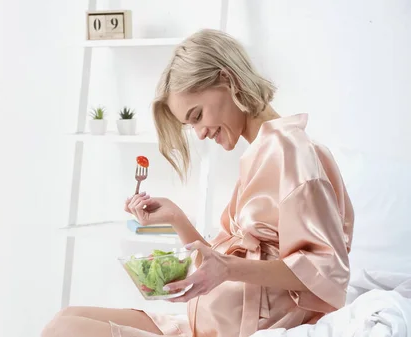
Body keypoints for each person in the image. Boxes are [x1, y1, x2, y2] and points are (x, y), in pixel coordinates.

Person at [42, 28, 354, 337]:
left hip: (231, 329)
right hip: (204, 323)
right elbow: (220, 265)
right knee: (66, 317)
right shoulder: (261, 154)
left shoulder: (292, 152)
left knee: (65, 329)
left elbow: (328, 270)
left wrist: (230, 268)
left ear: (227, 80)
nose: (201, 133)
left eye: (197, 115)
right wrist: (175, 217)